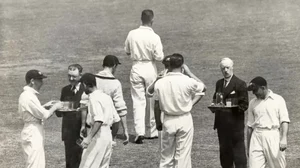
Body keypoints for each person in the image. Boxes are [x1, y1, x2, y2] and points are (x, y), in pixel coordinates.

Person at [150, 54, 206, 168]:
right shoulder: (187, 81)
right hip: (184, 119)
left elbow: (149, 92)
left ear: (169, 65)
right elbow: (203, 87)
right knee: (183, 157)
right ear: (182, 65)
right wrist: (189, 73)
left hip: (168, 119)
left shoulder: (161, 82)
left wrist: (157, 79)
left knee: (166, 157)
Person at [124, 9, 164, 143]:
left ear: (141, 19)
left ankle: (139, 131)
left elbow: (127, 51)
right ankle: (152, 131)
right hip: (149, 67)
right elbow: (159, 57)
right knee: (152, 99)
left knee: (137, 101)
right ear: (152, 20)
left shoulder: (132, 34)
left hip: (136, 67)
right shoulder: (155, 37)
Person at [18, 69, 62, 168]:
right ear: (32, 81)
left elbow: (32, 112)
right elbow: (44, 115)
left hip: (30, 130)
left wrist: (44, 106)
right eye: (40, 80)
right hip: (33, 132)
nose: (42, 83)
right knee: (36, 164)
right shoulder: (29, 96)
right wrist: (56, 107)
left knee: (33, 163)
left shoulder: (26, 95)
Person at [212, 57, 248, 168]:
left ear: (232, 68)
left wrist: (232, 106)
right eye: (223, 68)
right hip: (222, 126)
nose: (225, 71)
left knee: (238, 155)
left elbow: (244, 105)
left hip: (235, 126)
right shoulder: (219, 83)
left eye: (227, 68)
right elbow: (216, 99)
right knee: (224, 154)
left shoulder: (240, 84)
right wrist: (214, 105)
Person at [78, 73, 120, 168]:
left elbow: (99, 120)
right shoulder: (106, 97)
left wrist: (88, 138)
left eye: (82, 86)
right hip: (107, 136)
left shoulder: (93, 98)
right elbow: (116, 120)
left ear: (85, 84)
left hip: (98, 136)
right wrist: (112, 138)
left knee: (86, 165)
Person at [247, 76, 290, 168]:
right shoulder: (252, 103)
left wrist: (284, 138)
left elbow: (285, 120)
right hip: (256, 136)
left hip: (273, 135)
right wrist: (248, 146)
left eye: (255, 90)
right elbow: (250, 126)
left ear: (263, 88)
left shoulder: (278, 99)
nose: (254, 93)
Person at [94, 55, 129, 145]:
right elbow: (120, 107)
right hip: (107, 122)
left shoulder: (93, 79)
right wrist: (125, 130)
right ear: (114, 66)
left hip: (92, 120)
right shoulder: (115, 83)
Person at [55, 64, 85, 168]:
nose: (71, 79)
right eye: (69, 76)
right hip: (68, 133)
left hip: (82, 132)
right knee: (70, 162)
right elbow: (59, 113)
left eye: (74, 76)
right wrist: (56, 107)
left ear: (80, 76)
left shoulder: (86, 90)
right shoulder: (65, 90)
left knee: (82, 161)